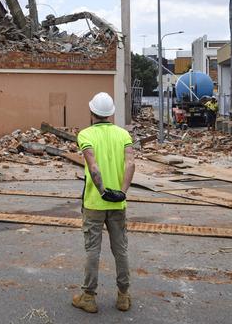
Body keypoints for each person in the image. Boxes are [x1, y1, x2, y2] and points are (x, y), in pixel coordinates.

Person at [72, 92, 136, 314]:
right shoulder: (123, 135)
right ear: (111, 113)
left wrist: (102, 191)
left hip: (94, 204)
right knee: (120, 250)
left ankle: (88, 297)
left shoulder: (85, 134)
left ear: (91, 112)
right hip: (118, 205)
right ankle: (123, 296)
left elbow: (93, 166)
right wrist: (122, 193)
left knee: (93, 250)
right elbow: (130, 163)